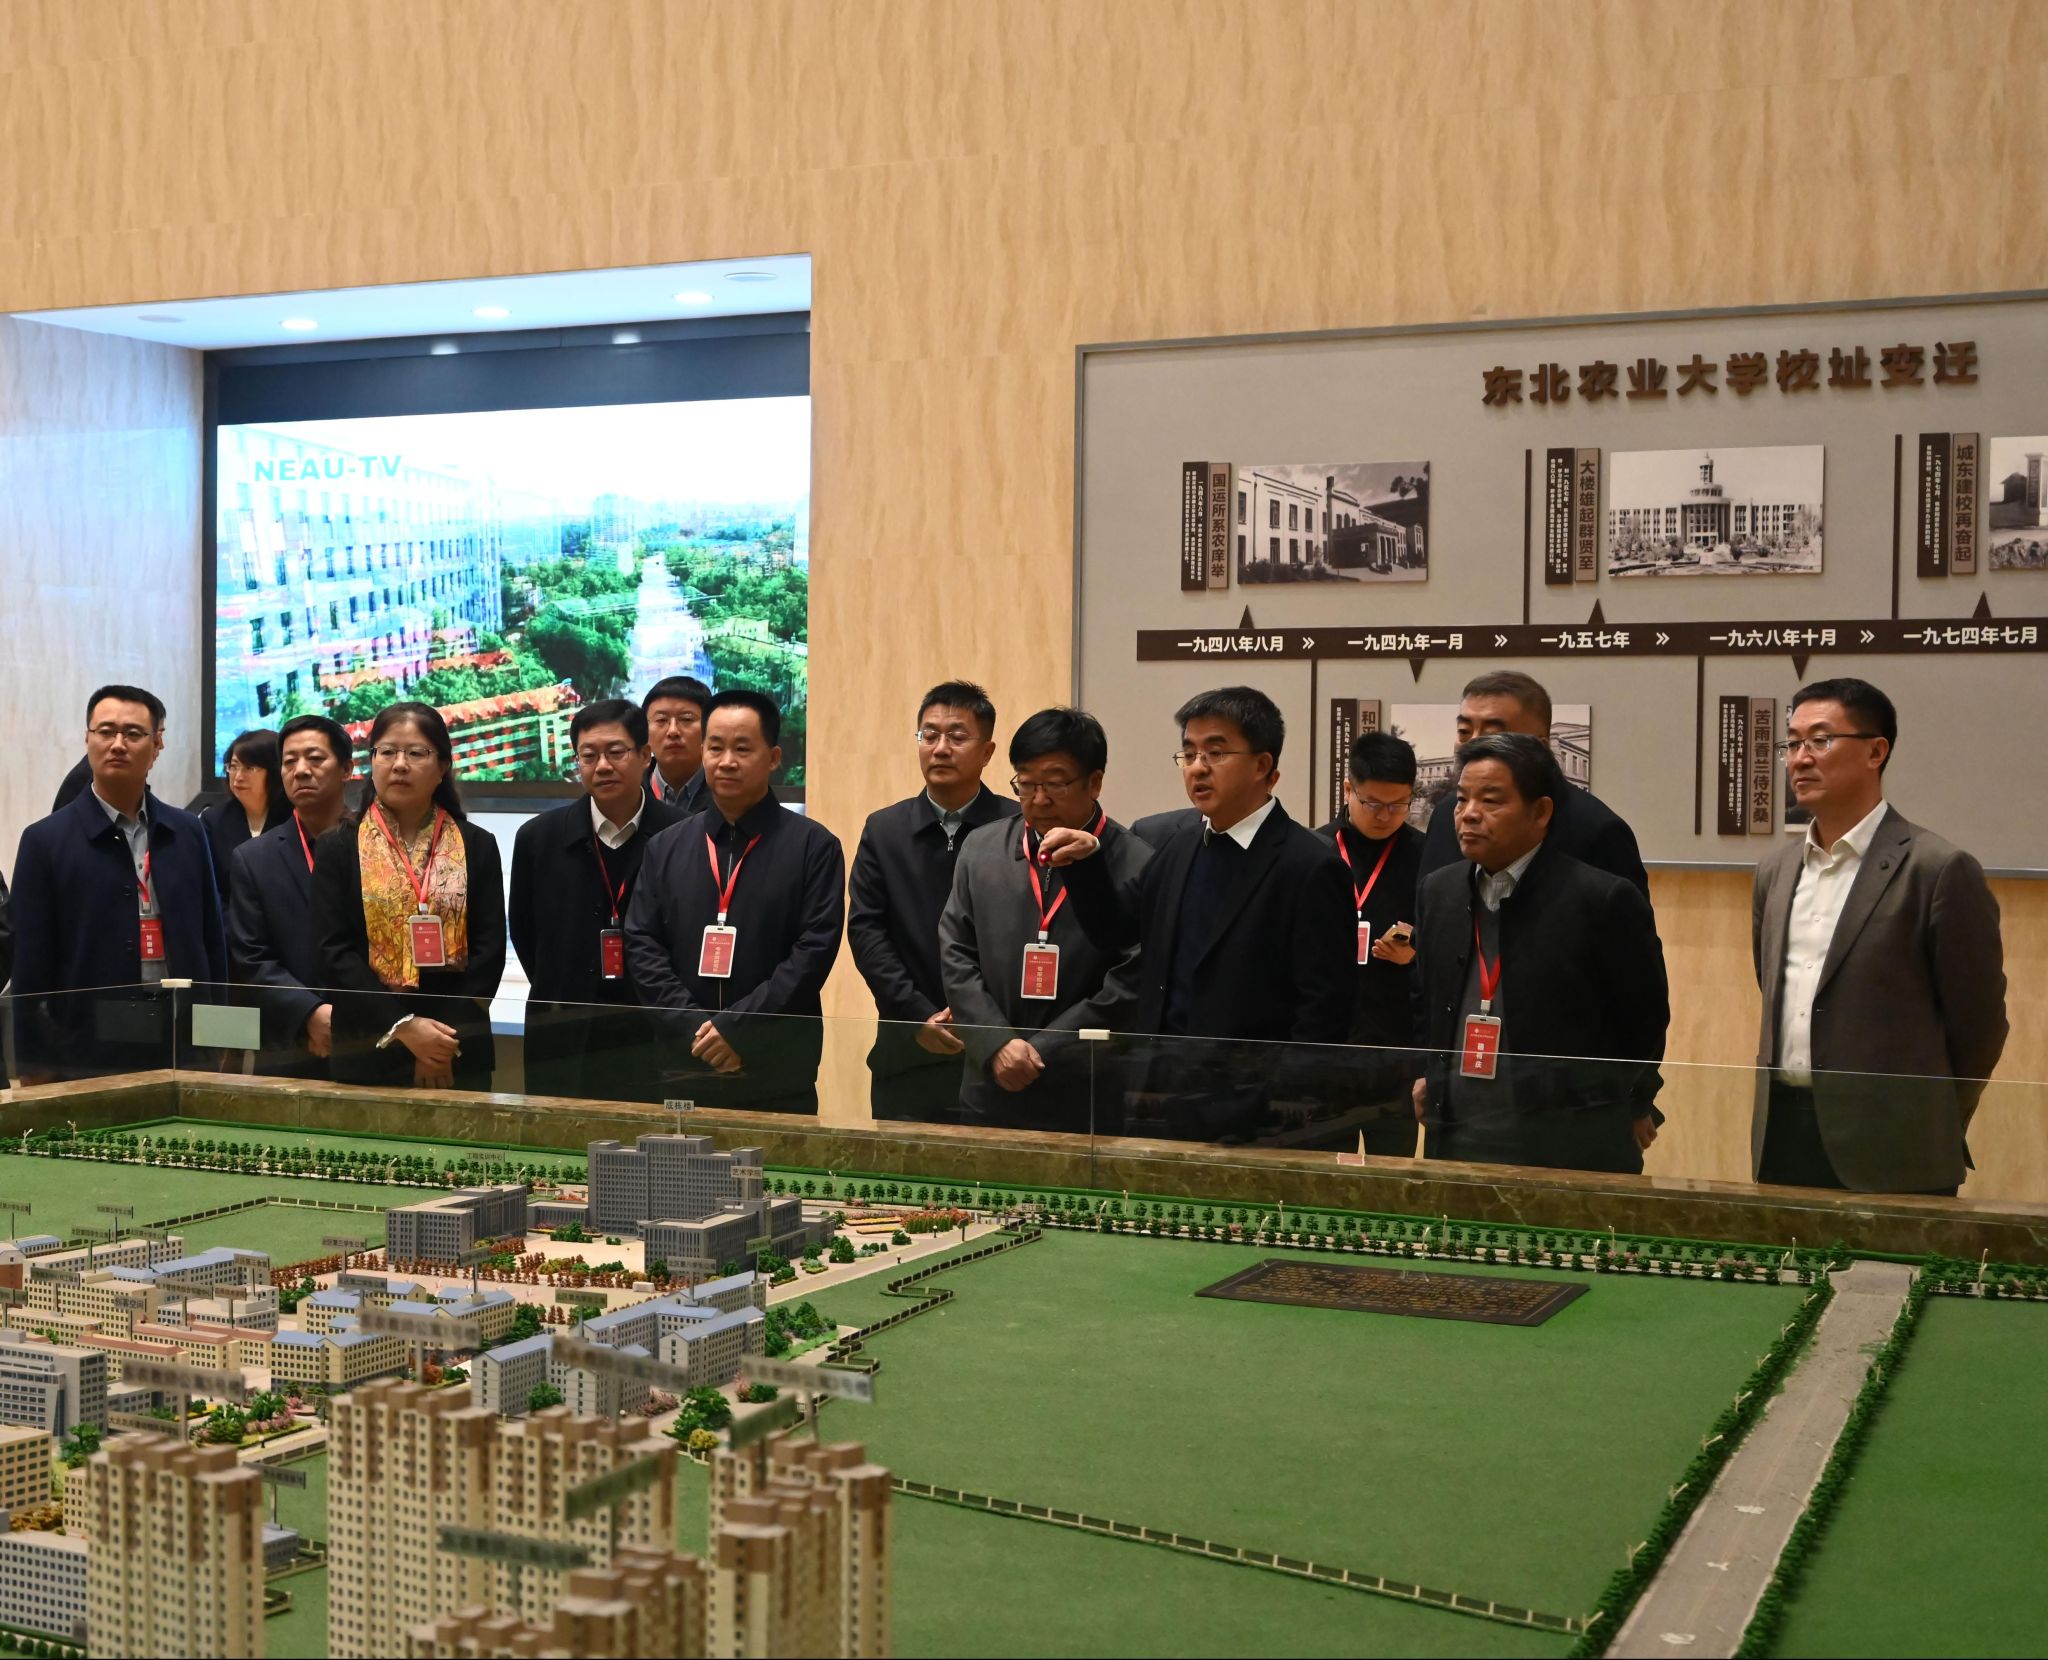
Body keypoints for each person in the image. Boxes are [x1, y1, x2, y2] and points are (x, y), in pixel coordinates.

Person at [1044, 687, 1353, 1141]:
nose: (1197, 767)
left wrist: (1273, 1105)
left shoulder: (1310, 866)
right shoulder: (1179, 846)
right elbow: (1114, 929)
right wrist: (1085, 863)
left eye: (1216, 752)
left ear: (1263, 766)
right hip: (1160, 1100)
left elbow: (1324, 1015)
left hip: (1254, 1118)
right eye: (1188, 753)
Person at [1751, 678, 2007, 1195]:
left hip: (1895, 1146)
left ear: (1876, 751)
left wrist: (1932, 1118)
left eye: (1820, 740)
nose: (1800, 759)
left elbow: (1979, 1026)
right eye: (1791, 743)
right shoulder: (1775, 871)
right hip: (1782, 1135)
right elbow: (1772, 985)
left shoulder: (1937, 869)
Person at [1412, 734, 1668, 1175]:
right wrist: (1426, 1073)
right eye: (1462, 799)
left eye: (1491, 800)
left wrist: (1634, 1102)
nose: (1468, 813)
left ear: (1541, 812)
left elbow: (1644, 1020)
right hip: (1456, 1136)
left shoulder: (1601, 899)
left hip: (1567, 1144)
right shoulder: (1439, 891)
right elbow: (1425, 999)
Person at [624, 688, 845, 1113]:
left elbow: (813, 952)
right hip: (685, 1059)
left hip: (777, 1063)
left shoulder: (814, 847)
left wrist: (737, 1029)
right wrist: (697, 1029)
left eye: (742, 748)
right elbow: (643, 945)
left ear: (774, 757)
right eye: (715, 747)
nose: (726, 761)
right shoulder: (666, 846)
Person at [940, 707, 1150, 1128]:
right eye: (1026, 783)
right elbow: (955, 951)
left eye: (1055, 783)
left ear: (1094, 782)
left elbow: (1133, 978)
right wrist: (997, 1043)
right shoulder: (981, 849)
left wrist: (1044, 1049)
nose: (1039, 799)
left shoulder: (1138, 861)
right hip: (989, 1081)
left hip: (1087, 1087)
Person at [9, 685, 227, 1081]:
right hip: (86, 1046)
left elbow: (211, 938)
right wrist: (32, 1062)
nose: (118, 744)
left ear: (157, 743)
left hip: (182, 1035)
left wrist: (220, 1036)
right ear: (87, 738)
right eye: (105, 731)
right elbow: (30, 961)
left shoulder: (188, 831)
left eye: (133, 733)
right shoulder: (45, 840)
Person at [310, 702, 505, 1091]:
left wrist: (439, 1044)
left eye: (416, 753)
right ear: (372, 761)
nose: (399, 765)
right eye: (387, 752)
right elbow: (334, 951)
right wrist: (404, 1028)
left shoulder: (477, 844)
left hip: (455, 1047)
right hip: (369, 1044)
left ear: (443, 766)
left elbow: (490, 951)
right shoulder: (338, 846)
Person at [848, 680, 1020, 1121]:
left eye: (957, 736)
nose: (940, 748)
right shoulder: (884, 830)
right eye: (929, 735)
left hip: (999, 1050)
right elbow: (867, 932)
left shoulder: (1015, 827)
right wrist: (916, 1014)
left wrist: (982, 1023)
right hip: (906, 1050)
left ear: (987, 751)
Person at [509, 698, 686, 1103]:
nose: (602, 766)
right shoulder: (538, 838)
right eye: (588, 756)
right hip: (562, 1032)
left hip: (654, 1032)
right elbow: (524, 932)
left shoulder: (683, 835)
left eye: (616, 752)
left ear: (645, 756)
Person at [1413, 670, 1648, 899]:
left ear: (1541, 746)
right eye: (1464, 731)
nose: (1472, 744)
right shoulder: (1446, 814)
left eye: (1493, 734)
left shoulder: (1598, 830)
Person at [1314, 731, 1426, 1156]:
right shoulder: (1314, 851)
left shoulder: (1427, 858)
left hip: (1394, 1049)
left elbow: (1450, 952)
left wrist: (1414, 956)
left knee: (1390, 1174)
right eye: (1373, 803)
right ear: (1348, 789)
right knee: (1325, 1170)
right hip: (1326, 1047)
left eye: (1398, 805)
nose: (1385, 816)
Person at [227, 714, 354, 1076]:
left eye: (315, 759)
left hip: (370, 1038)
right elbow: (250, 958)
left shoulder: (377, 846)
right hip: (288, 1047)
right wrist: (310, 1013)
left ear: (346, 769)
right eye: (289, 761)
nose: (300, 771)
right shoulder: (253, 858)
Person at [200, 728, 291, 904]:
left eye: (249, 768)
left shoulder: (294, 818)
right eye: (233, 767)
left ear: (274, 772)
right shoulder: (213, 820)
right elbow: (209, 889)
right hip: (228, 919)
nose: (238, 777)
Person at [641, 675, 714, 816]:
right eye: (661, 720)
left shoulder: (728, 789)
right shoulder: (629, 791)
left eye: (686, 719)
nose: (673, 731)